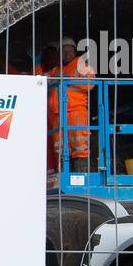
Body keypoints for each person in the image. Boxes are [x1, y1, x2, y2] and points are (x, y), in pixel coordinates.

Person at [43, 37, 96, 170]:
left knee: (79, 147)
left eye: (69, 51)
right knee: (60, 148)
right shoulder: (56, 70)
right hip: (58, 114)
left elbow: (91, 83)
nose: (67, 54)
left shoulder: (81, 65)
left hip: (75, 112)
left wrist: (70, 80)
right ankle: (63, 179)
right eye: (64, 51)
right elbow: (42, 80)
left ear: (74, 51)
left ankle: (80, 177)